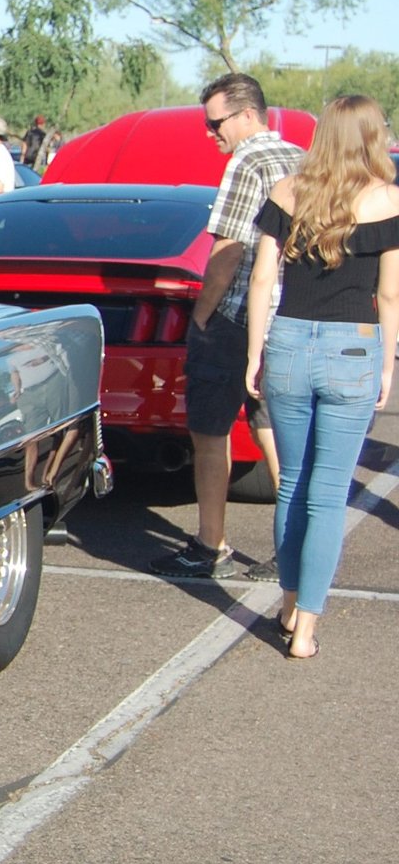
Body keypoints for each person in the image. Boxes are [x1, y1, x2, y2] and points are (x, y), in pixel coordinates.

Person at [242, 96, 399, 658]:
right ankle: (305, 629)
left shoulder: (288, 190)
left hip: (287, 340)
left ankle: (287, 604)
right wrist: (387, 364)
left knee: (292, 484)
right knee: (329, 494)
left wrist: (255, 353)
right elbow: (389, 293)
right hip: (352, 348)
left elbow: (262, 279)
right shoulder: (387, 199)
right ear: (372, 137)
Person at [151, 73, 296, 579]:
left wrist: (202, 315)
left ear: (248, 115)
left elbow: (228, 250)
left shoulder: (247, 161)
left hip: (236, 316)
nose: (210, 133)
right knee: (274, 429)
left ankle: (210, 544)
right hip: (288, 318)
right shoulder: (302, 159)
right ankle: (292, 549)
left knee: (209, 431)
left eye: (216, 123)